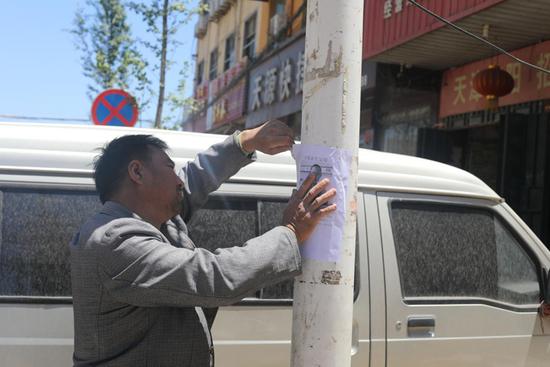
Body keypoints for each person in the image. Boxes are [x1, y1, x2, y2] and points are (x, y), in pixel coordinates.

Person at [70, 120, 337, 367]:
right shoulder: (115, 241)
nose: (178, 179)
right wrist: (291, 231)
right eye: (169, 167)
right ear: (137, 172)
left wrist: (245, 141)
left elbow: (193, 179)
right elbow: (213, 277)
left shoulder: (153, 218)